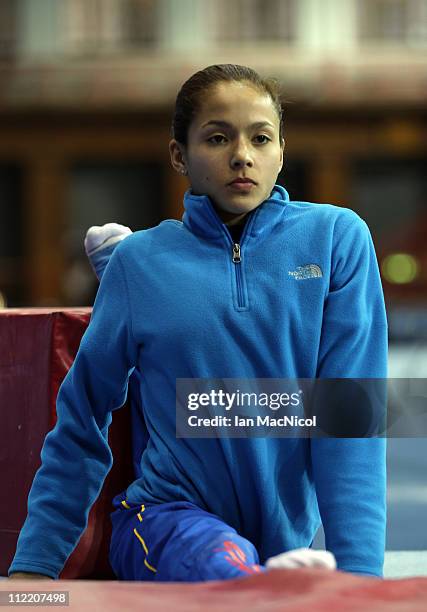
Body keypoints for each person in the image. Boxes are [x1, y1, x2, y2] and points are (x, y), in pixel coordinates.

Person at [8, 64, 387, 581]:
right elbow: (81, 419)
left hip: (278, 543)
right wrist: (35, 568)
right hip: (161, 521)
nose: (242, 156)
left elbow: (350, 420)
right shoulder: (140, 263)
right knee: (219, 561)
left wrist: (360, 578)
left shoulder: (336, 238)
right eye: (216, 138)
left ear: (281, 151)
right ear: (178, 155)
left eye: (261, 138)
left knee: (243, 563)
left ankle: (262, 579)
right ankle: (259, 583)